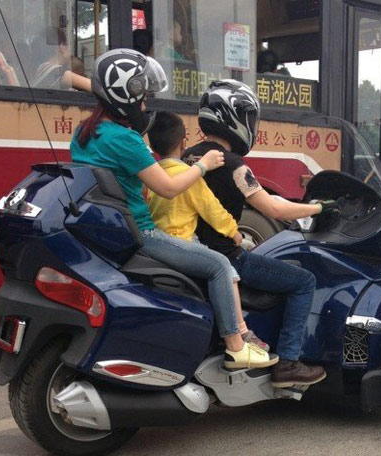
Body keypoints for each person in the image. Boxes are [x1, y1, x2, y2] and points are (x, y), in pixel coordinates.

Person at [70, 49, 276, 369]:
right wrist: (203, 166)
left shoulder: (83, 133)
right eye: (142, 99)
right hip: (142, 232)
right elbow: (167, 187)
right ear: (125, 99)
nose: (144, 106)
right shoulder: (126, 140)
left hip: (108, 227)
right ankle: (237, 346)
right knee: (219, 264)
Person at [183, 79, 335, 388]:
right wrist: (319, 209)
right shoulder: (232, 165)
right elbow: (274, 209)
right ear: (235, 118)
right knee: (304, 281)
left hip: (192, 252)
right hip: (226, 257)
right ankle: (289, 363)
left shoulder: (188, 157)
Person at [147, 110, 270, 351]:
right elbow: (213, 211)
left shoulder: (154, 175)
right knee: (226, 271)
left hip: (158, 239)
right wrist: (235, 233)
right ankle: (240, 335)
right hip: (183, 240)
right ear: (183, 142)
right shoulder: (188, 177)